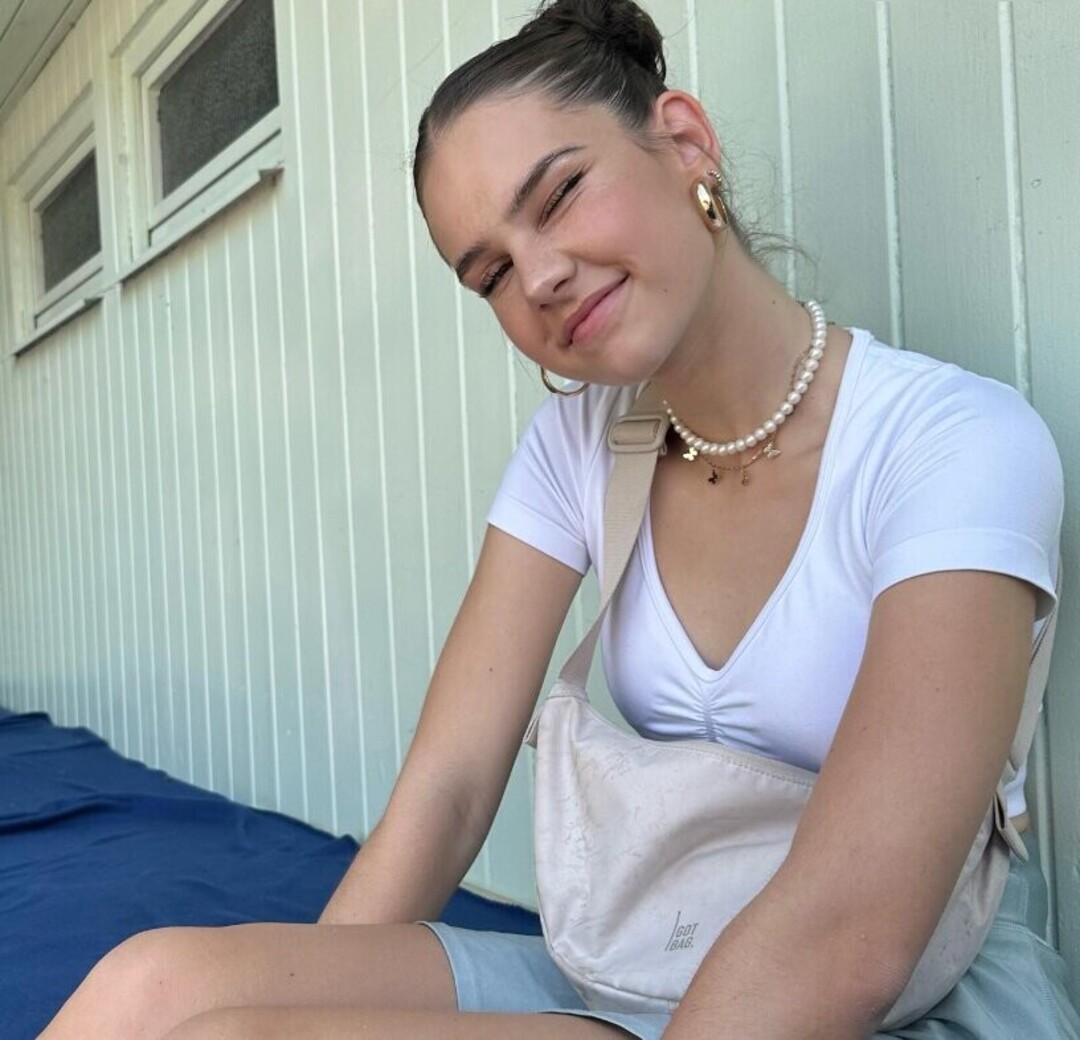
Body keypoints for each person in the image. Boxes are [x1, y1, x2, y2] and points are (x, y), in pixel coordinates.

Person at [38, 1, 1080, 1038]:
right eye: (490, 272)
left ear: (685, 142)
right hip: (653, 959)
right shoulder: (578, 447)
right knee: (158, 983)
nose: (536, 278)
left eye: (561, 195)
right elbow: (448, 789)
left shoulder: (953, 442)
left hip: (893, 991)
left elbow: (855, 931)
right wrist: (314, 990)